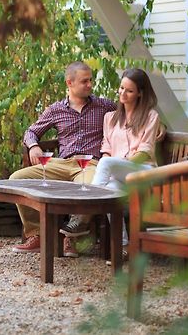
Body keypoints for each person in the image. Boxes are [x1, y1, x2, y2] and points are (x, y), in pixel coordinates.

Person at [10, 61, 116, 255]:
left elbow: (132, 113)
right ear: (70, 83)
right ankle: (38, 235)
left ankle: (71, 237)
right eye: (85, 81)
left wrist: (156, 125)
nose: (90, 85)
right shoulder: (55, 110)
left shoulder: (104, 106)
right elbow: (31, 131)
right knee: (17, 179)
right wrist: (33, 146)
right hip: (61, 164)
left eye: (90, 80)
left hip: (89, 164)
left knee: (92, 188)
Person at [60, 68, 161, 261]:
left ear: (140, 92)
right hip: (119, 175)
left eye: (129, 91)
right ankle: (124, 246)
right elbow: (106, 148)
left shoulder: (150, 116)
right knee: (110, 192)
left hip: (142, 172)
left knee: (106, 162)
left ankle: (82, 215)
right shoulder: (110, 118)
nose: (123, 93)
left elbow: (145, 151)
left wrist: (118, 164)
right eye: (121, 88)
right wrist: (114, 167)